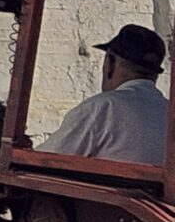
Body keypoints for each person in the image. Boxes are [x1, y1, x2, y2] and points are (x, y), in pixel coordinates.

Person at [41, 24, 170, 163]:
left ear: (110, 63)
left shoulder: (103, 108)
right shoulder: (169, 112)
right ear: (154, 74)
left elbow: (45, 160)